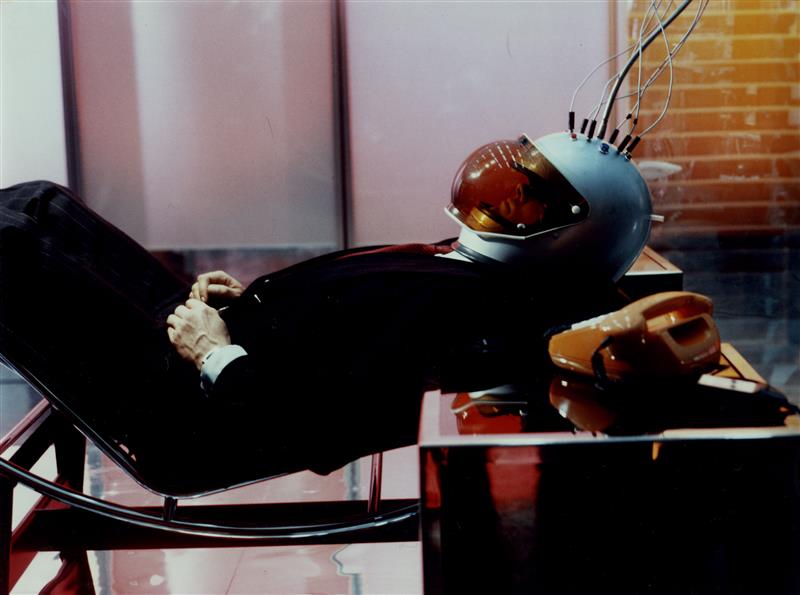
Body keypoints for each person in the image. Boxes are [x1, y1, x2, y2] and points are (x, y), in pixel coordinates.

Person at [0, 131, 653, 494]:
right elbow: (348, 319)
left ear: (574, 236)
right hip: (217, 347)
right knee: (39, 202)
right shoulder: (475, 271)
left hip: (195, 408)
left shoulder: (482, 320)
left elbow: (313, 427)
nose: (503, 200)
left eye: (527, 199)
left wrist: (216, 353)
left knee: (11, 242)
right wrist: (252, 301)